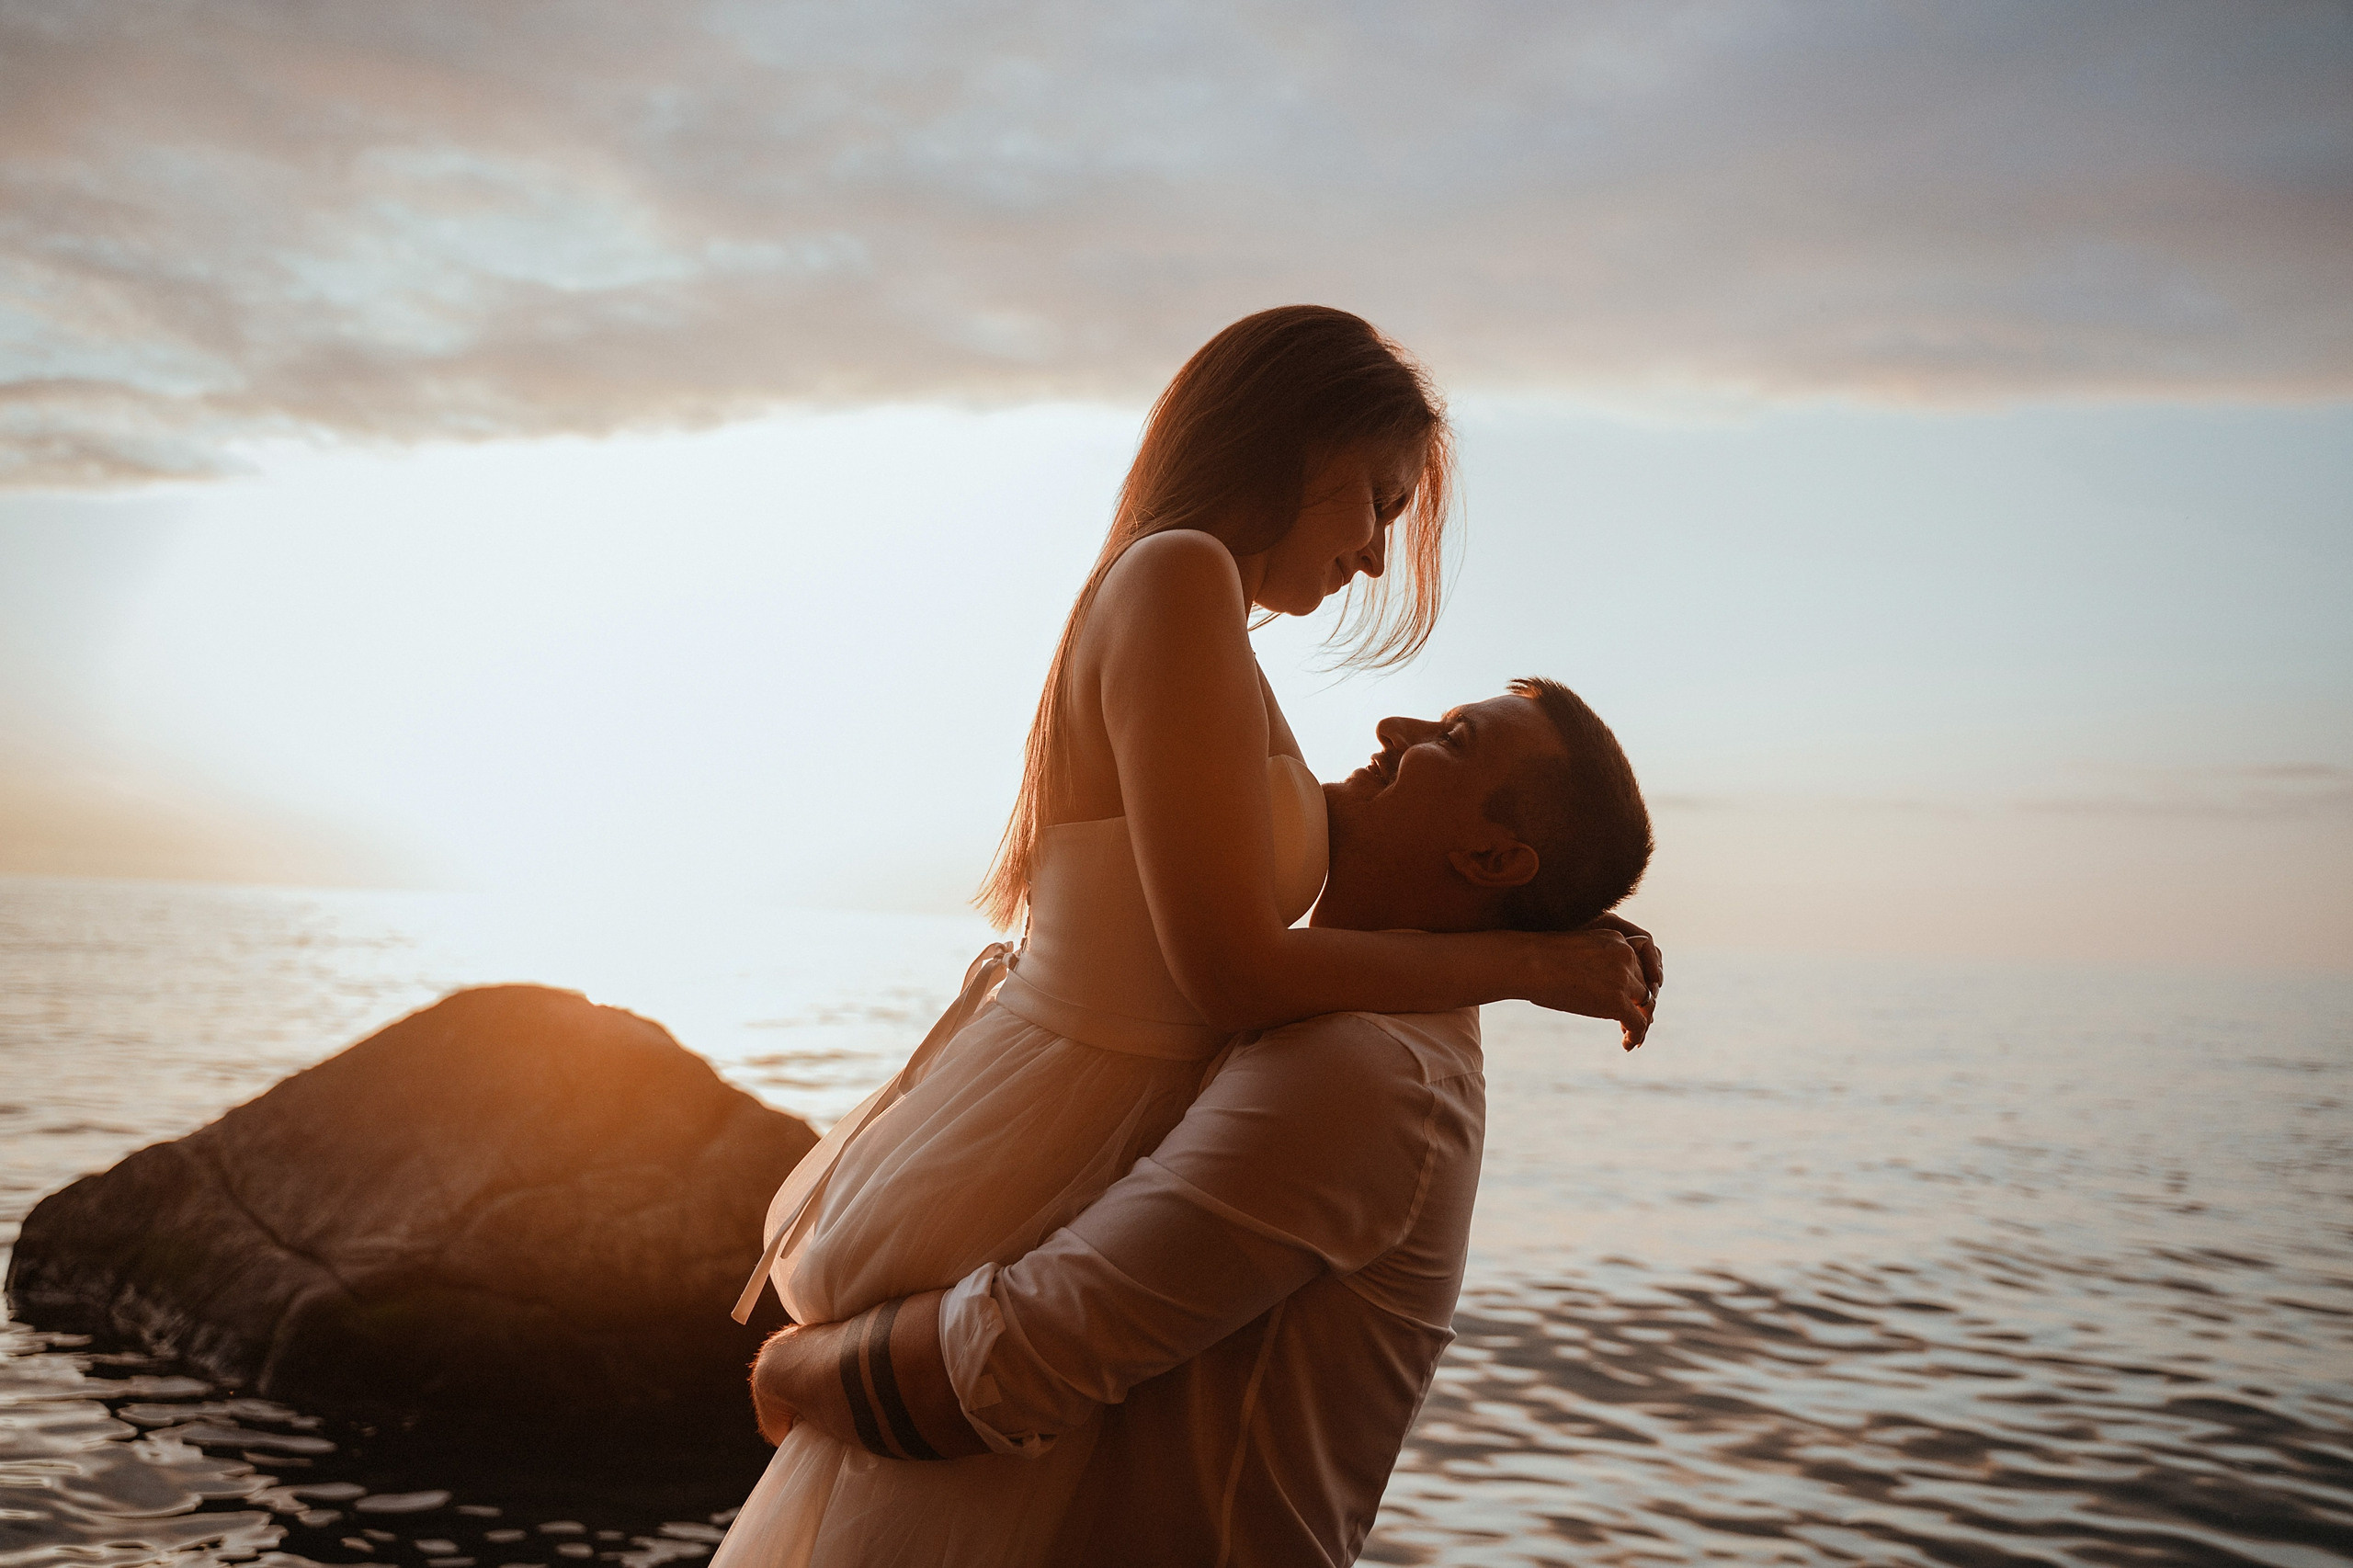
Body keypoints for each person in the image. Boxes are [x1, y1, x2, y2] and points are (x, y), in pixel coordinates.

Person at [706, 309, 1660, 1568]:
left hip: (1084, 1103)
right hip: (1063, 1101)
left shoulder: (1204, 624)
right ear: (1294, 440)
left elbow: (1287, 893)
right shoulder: (1178, 579)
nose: (1376, 556)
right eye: (1375, 500)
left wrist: (1546, 924)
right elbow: (1234, 971)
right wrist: (1534, 964)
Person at [748, 678, 1654, 1566]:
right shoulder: (1320, 1017)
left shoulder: (1370, 1074)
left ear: (1492, 860)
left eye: (1451, 739)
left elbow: (1006, 1366)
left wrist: (787, 1366)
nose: (1392, 723)